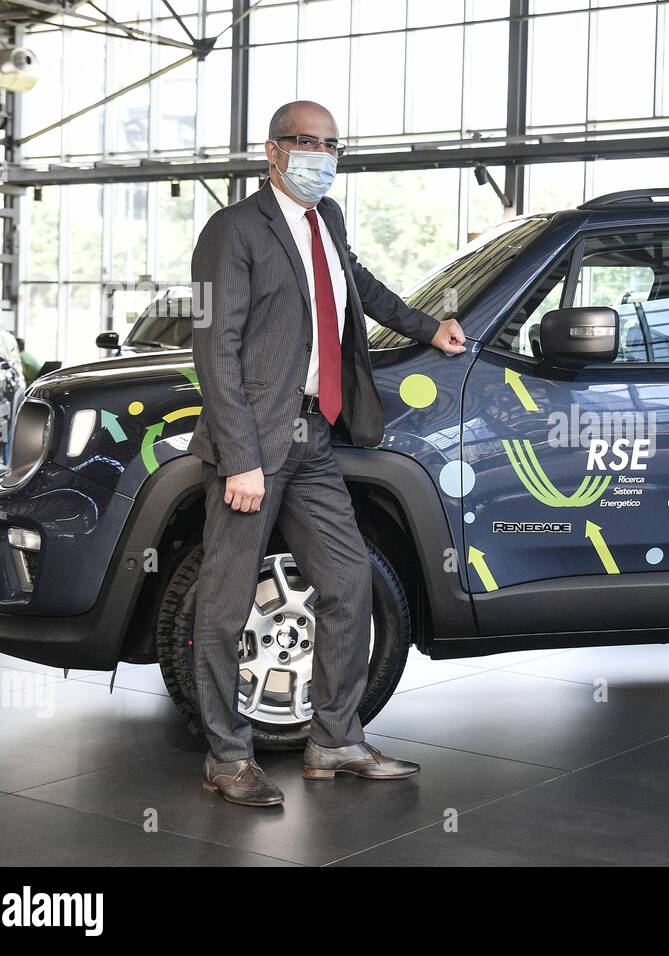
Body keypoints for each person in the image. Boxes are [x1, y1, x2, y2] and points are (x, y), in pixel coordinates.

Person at [189, 99, 467, 806]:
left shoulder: (327, 221)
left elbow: (360, 288)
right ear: (273, 150)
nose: (322, 155)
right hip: (254, 442)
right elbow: (212, 347)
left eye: (332, 144)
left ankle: (334, 739)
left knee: (347, 583)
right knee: (224, 605)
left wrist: (429, 327)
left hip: (315, 437)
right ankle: (227, 758)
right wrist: (241, 456)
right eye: (306, 142)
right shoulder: (230, 231)